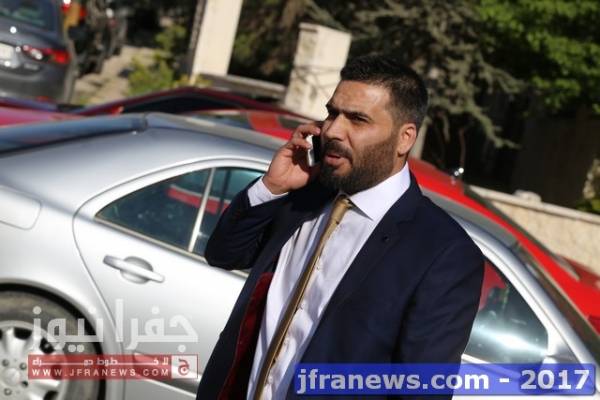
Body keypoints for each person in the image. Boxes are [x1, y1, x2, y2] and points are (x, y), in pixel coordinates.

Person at [196, 54, 484, 400]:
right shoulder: (306, 192)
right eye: (332, 113)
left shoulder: (443, 253)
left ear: (404, 138)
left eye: (357, 120)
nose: (332, 130)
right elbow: (224, 253)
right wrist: (271, 187)